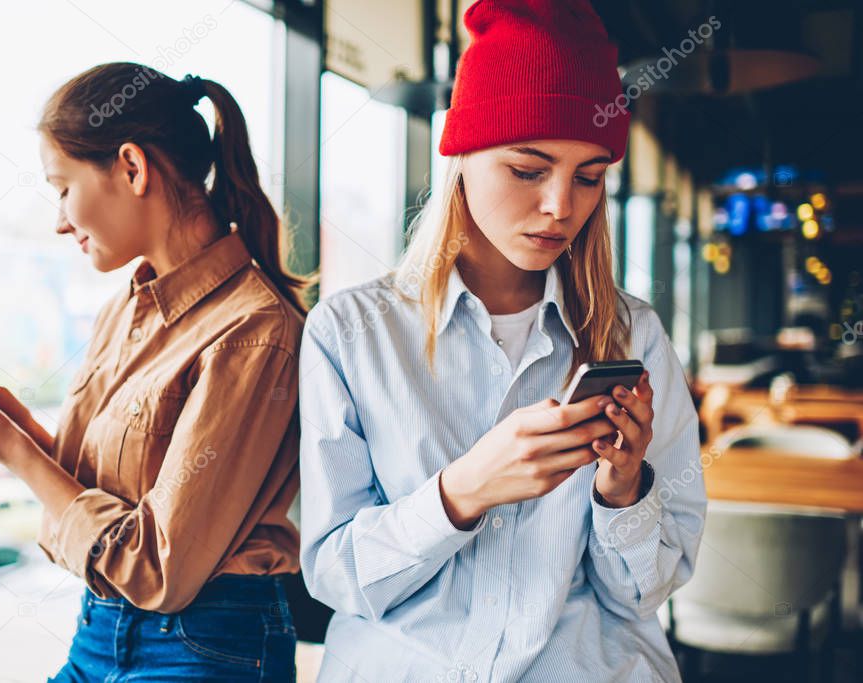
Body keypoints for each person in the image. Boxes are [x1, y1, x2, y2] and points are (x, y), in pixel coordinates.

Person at [297, 1, 706, 680]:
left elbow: (645, 593)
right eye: (527, 169)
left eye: (589, 176)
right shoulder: (349, 333)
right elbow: (337, 575)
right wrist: (461, 491)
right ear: (460, 154)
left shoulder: (633, 335)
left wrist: (622, 489)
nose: (560, 206)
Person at [0, 63, 306, 682]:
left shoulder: (255, 331)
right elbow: (110, 508)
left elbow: (158, 569)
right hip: (98, 632)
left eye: (62, 188)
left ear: (131, 166)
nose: (59, 220)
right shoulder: (124, 309)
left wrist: (14, 450)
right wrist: (12, 433)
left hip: (208, 646)